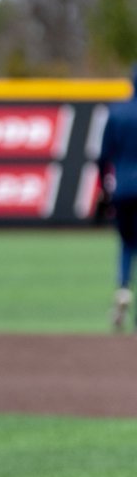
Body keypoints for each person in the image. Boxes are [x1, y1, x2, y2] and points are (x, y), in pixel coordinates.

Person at [97, 67, 137, 331]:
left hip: (122, 189)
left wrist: (105, 189)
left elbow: (103, 157)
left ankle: (123, 289)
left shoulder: (116, 112)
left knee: (126, 242)